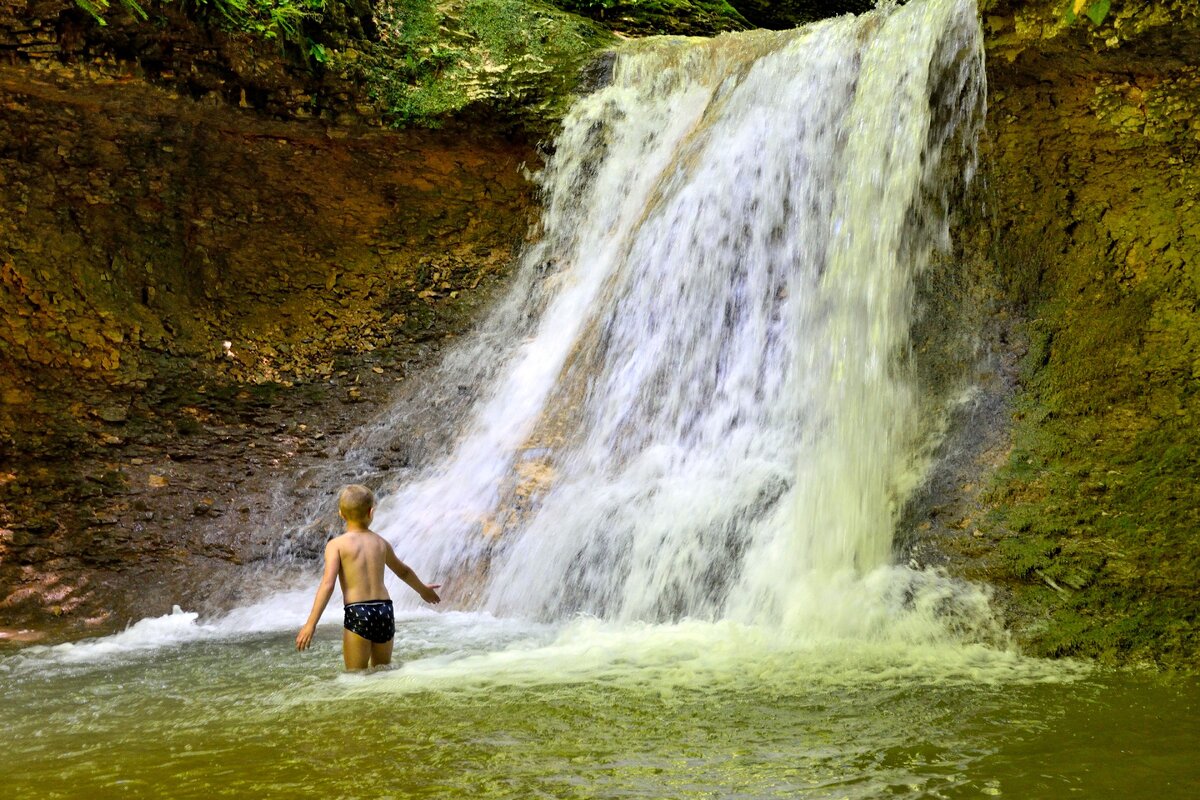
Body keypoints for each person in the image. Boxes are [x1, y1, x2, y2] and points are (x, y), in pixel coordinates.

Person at [295, 484, 441, 670]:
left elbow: (327, 584)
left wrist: (311, 624)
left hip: (359, 611)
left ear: (341, 514)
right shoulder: (381, 543)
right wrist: (423, 590)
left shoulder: (336, 545)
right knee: (382, 672)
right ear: (371, 512)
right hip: (385, 611)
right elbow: (403, 571)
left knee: (356, 677)